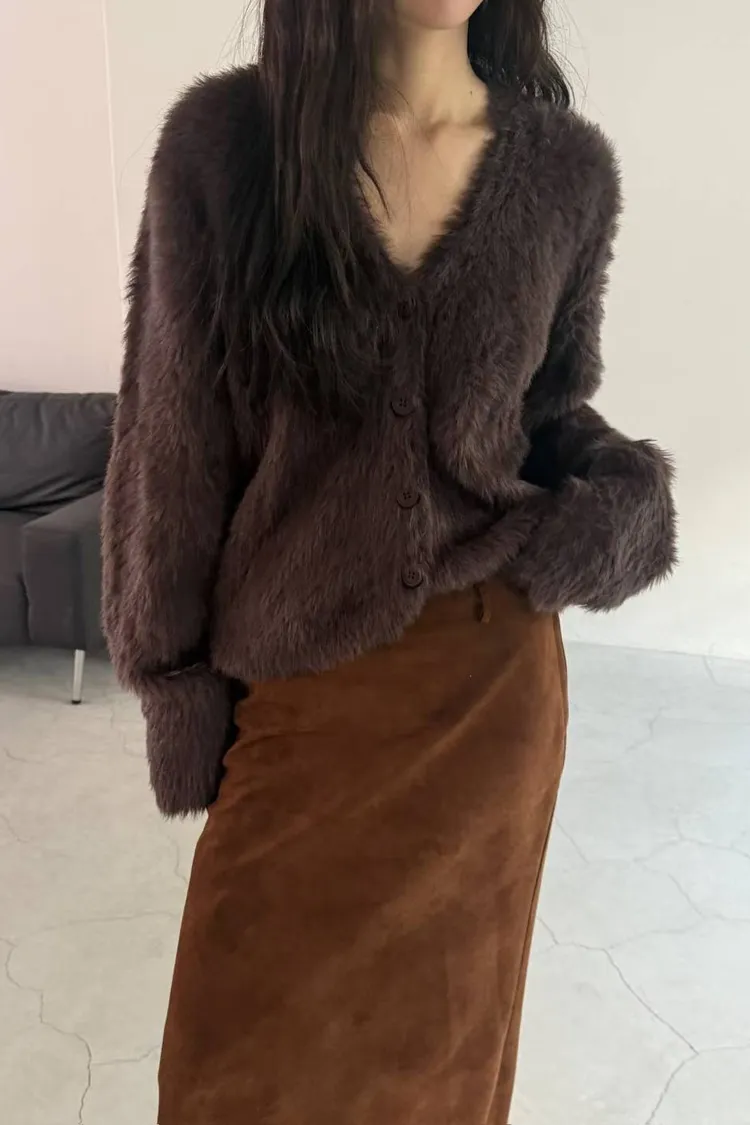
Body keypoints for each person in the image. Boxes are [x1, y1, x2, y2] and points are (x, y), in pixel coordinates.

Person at [101, 0, 676, 1121]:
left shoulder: (566, 173)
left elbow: (544, 415)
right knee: (233, 1074)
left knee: (438, 1073)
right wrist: (174, 683)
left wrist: (620, 498)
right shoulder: (227, 148)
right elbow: (169, 446)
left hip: (490, 691)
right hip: (298, 694)